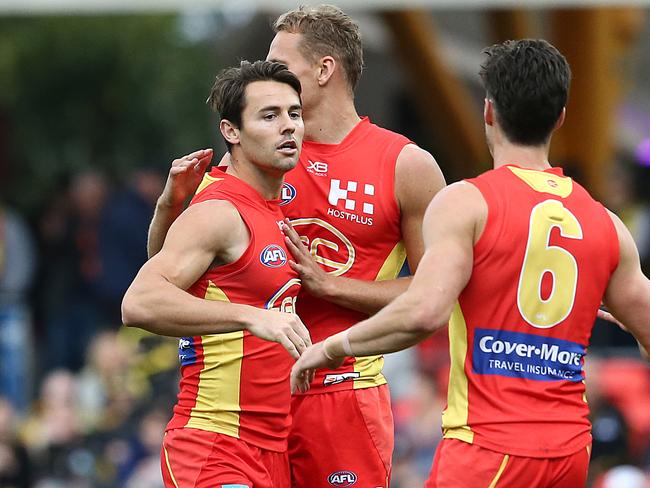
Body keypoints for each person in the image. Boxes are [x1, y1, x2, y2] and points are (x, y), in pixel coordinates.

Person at [291, 39, 650, 488]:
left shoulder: (467, 203)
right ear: (559, 118)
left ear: (488, 111)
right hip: (570, 452)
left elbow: (424, 311)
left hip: (488, 448)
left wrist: (330, 348)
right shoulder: (606, 224)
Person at [147, 5, 446, 487]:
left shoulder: (405, 165)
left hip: (341, 394)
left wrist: (332, 287)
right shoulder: (256, 152)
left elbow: (435, 295)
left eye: (280, 63)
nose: (267, 75)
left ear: (324, 69)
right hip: (250, 406)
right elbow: (170, 274)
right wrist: (166, 209)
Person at [121, 60, 312, 487]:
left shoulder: (273, 209)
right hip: (214, 447)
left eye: (294, 114)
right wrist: (251, 316)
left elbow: (181, 273)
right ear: (231, 131)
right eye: (270, 115)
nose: (289, 127)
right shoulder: (220, 211)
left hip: (272, 451)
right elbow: (139, 301)